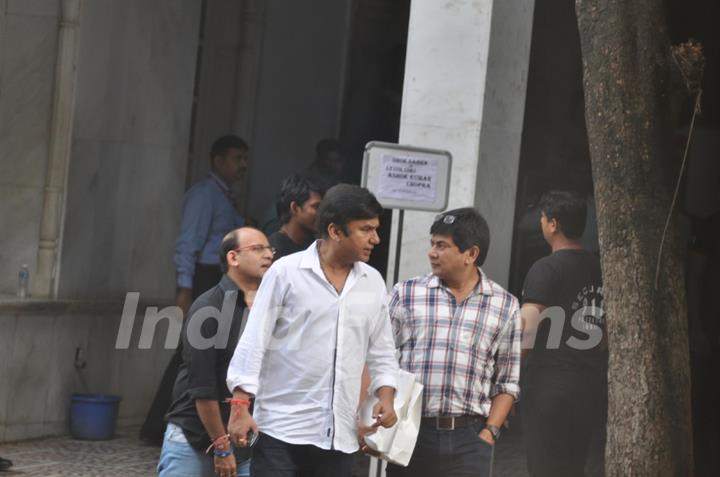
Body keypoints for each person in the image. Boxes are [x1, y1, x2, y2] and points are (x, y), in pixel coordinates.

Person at [226, 184, 399, 477]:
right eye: (366, 230)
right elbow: (254, 341)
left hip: (340, 437)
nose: (375, 239)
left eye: (376, 229)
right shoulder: (286, 273)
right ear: (334, 231)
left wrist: (386, 395)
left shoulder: (373, 281)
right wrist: (240, 408)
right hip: (280, 432)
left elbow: (381, 349)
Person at [386, 207, 522, 477]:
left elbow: (507, 381)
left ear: (471, 254)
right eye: (432, 244)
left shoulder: (504, 305)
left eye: (442, 245)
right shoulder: (407, 294)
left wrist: (489, 432)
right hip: (411, 432)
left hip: (470, 440)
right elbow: (381, 359)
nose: (431, 252)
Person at [141, 134, 249, 445]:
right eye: (236, 158)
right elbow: (188, 244)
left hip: (222, 278)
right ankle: (155, 425)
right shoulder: (204, 195)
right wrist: (185, 289)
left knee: (209, 354)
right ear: (218, 161)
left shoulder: (226, 197)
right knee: (189, 354)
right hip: (205, 278)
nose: (242, 165)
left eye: (244, 159)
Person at [157, 227, 274, 477]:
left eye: (269, 249)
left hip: (244, 441)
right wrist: (221, 447)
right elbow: (203, 387)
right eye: (257, 249)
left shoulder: (270, 308)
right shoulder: (208, 308)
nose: (268, 255)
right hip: (194, 438)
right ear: (233, 258)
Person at [520, 191, 607, 477]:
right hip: (589, 385)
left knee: (545, 466)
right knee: (574, 466)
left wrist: (510, 378)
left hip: (549, 387)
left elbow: (527, 329)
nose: (541, 223)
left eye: (543, 218)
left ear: (553, 224)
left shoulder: (546, 267)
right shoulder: (601, 267)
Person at [268, 174, 323, 259]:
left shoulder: (317, 247)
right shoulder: (273, 251)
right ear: (295, 208)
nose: (322, 213)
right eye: (316, 206)